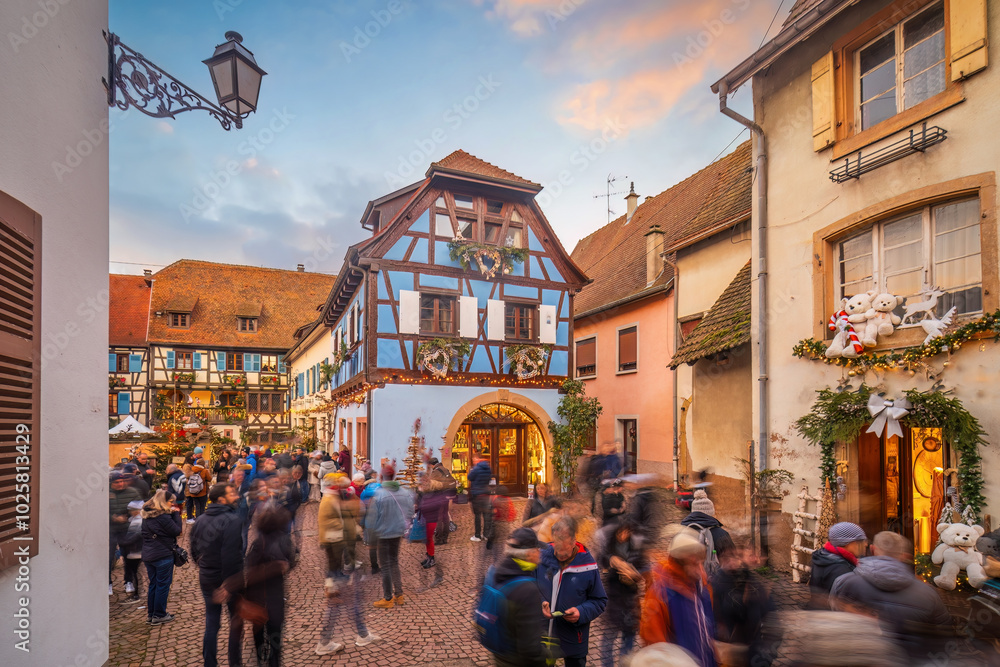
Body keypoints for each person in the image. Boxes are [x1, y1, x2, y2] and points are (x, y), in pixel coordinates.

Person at [831, 531, 950, 657]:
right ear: (904, 556)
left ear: (872, 549)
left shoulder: (844, 582)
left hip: (860, 658)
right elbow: (944, 636)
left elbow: (835, 626)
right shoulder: (928, 593)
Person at [218, 503, 294, 667]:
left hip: (257, 599)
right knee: (275, 639)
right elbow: (291, 562)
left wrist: (230, 586)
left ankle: (260, 661)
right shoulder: (285, 541)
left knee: (259, 634)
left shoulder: (258, 544)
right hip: (275, 599)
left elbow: (249, 572)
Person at [315, 474, 378, 654]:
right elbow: (337, 522)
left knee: (350, 601)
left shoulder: (335, 498)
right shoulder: (330, 500)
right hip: (337, 551)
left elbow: (353, 513)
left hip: (342, 552)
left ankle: (362, 634)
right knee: (341, 603)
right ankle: (325, 642)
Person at [640, 526, 717, 667]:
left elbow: (708, 627)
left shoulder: (702, 586)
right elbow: (655, 645)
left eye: (700, 561)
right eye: (693, 563)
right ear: (679, 563)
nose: (699, 568)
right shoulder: (659, 594)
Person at [537, 515, 608, 667]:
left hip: (574, 639)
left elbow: (600, 601)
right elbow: (530, 585)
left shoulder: (588, 566)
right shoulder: (542, 558)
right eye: (557, 548)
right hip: (543, 637)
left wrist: (581, 612)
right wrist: (541, 602)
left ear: (574, 541)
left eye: (565, 550)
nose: (560, 555)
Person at [190, 483, 245, 667]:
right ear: (221, 499)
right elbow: (231, 555)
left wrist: (204, 565)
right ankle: (235, 663)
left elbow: (194, 551)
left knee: (212, 622)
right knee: (235, 622)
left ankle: (210, 663)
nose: (236, 496)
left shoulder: (200, 519)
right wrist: (228, 585)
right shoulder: (232, 520)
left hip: (207, 576)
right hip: (228, 579)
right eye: (232, 494)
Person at [486, 527, 549, 667]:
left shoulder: (496, 572)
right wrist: (546, 658)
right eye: (537, 549)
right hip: (518, 660)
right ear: (529, 554)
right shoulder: (527, 590)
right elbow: (530, 648)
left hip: (500, 655)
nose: (540, 553)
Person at [710, 545, 779, 667]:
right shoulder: (717, 584)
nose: (734, 562)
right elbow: (710, 619)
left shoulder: (756, 586)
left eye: (739, 556)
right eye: (730, 557)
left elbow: (774, 626)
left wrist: (763, 659)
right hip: (724, 656)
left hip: (753, 656)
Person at [596, 517, 648, 667]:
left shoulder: (635, 549)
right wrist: (612, 562)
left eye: (627, 532)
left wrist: (635, 576)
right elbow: (600, 564)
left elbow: (644, 569)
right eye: (621, 531)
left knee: (629, 640)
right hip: (614, 600)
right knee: (607, 641)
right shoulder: (608, 548)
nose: (624, 535)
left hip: (631, 602)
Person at [370, 462, 414, 608]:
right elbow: (410, 512)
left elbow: (372, 517)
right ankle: (399, 595)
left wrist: (370, 534)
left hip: (383, 534)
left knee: (386, 566)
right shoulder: (405, 492)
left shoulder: (379, 494)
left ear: (382, 477)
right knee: (394, 562)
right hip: (397, 532)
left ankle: (388, 598)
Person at [140, 490, 183, 625]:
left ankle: (151, 614)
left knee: (153, 584)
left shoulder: (146, 515)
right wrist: (176, 514)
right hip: (162, 555)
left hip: (148, 554)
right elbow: (177, 531)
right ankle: (159, 615)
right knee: (162, 585)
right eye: (171, 502)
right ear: (164, 502)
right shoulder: (163, 517)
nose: (173, 504)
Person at [809, 521, 867, 608]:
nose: (865, 544)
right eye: (860, 541)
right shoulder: (841, 569)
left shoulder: (824, 556)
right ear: (847, 543)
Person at [680, 491, 735, 568]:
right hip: (713, 578)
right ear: (711, 512)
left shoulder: (682, 533)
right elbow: (732, 563)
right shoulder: (722, 535)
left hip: (687, 578)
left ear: (693, 512)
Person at [109, 471, 141, 596]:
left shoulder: (132, 492)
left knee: (128, 556)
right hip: (110, 530)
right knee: (108, 557)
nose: (120, 484)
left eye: (122, 481)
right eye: (117, 482)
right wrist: (112, 518)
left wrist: (128, 516)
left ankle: (128, 581)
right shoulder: (104, 493)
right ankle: (108, 583)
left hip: (127, 529)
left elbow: (139, 508)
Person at [419, 457, 452, 574]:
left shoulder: (435, 476)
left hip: (432, 516)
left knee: (430, 536)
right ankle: (443, 539)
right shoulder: (444, 469)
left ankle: (433, 553)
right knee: (445, 517)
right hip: (445, 498)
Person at [120, 499, 145, 603]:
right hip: (135, 551)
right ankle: (138, 592)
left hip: (136, 551)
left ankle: (137, 594)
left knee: (136, 573)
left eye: (132, 510)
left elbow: (135, 536)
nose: (130, 512)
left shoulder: (138, 521)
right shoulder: (134, 520)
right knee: (136, 572)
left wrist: (123, 542)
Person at [468, 454, 493, 542]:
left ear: (477, 458)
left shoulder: (476, 468)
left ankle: (477, 535)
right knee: (486, 515)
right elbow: (489, 478)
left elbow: (469, 477)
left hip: (477, 494)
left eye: (474, 459)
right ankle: (486, 534)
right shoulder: (488, 468)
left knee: (477, 515)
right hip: (486, 493)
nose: (474, 461)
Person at [185, 459, 212, 523]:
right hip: (202, 492)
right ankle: (201, 520)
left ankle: (197, 519)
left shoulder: (192, 469)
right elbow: (209, 479)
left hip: (193, 491)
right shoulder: (204, 471)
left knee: (197, 506)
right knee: (202, 506)